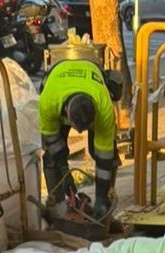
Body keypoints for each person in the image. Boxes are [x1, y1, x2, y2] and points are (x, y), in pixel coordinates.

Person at [39, 57, 118, 220]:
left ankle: (104, 205)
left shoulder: (104, 108)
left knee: (104, 155)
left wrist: (101, 198)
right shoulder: (48, 102)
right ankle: (58, 208)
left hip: (91, 72)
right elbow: (52, 141)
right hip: (57, 75)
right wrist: (64, 170)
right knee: (52, 157)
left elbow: (105, 157)